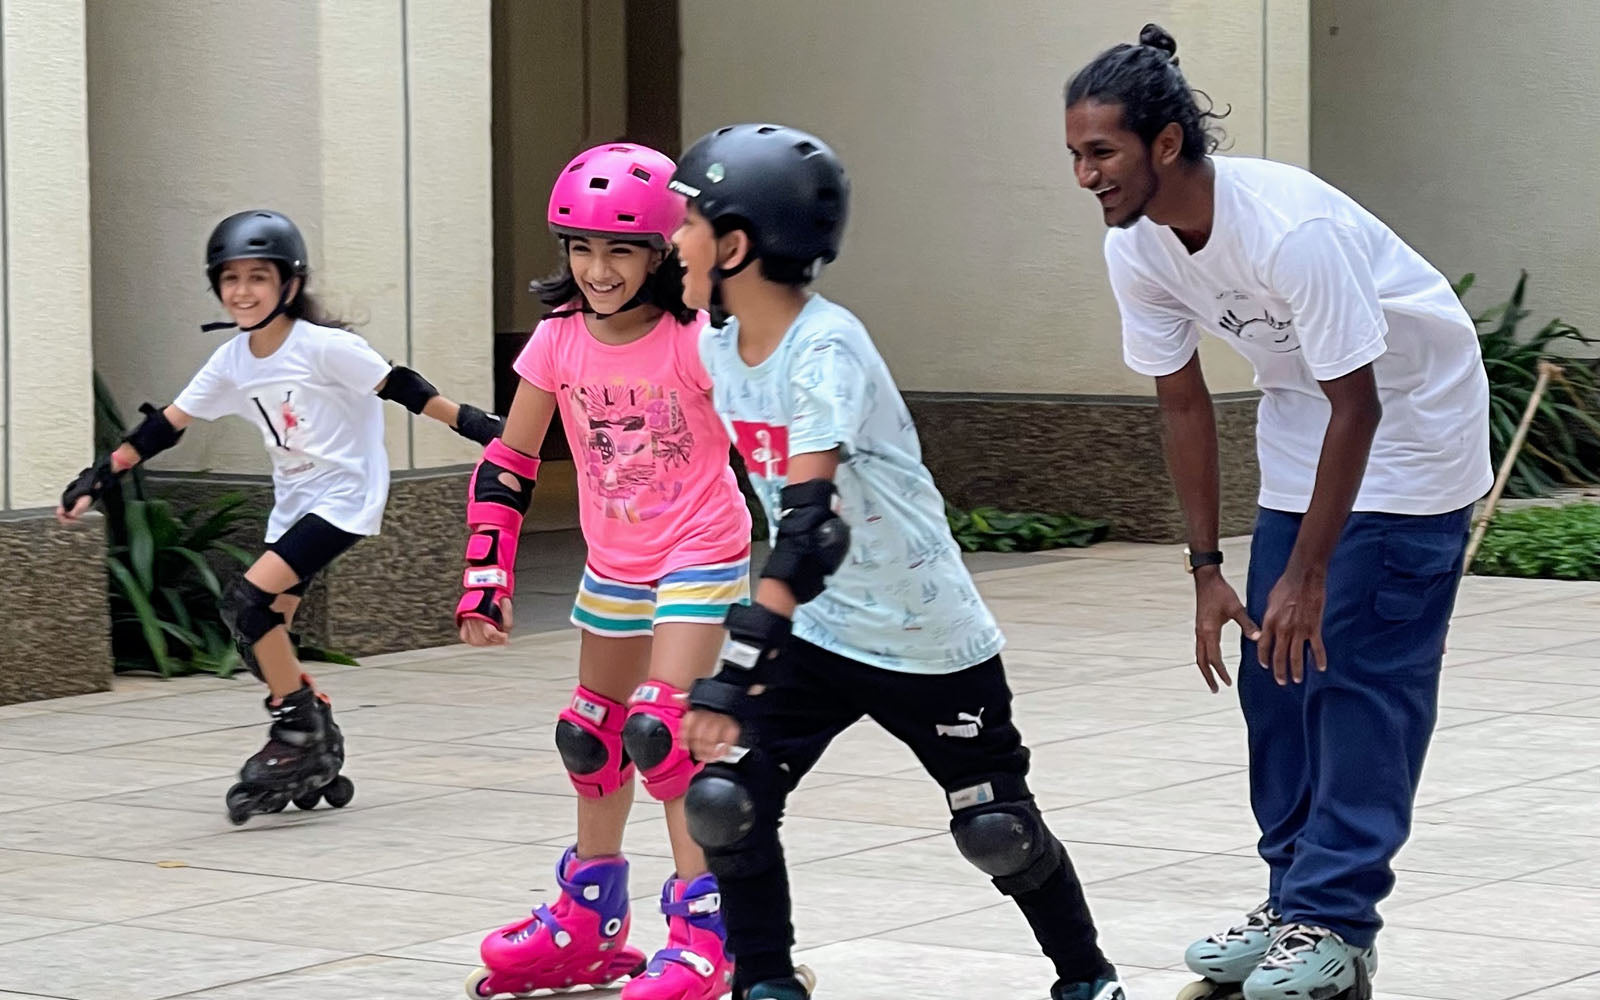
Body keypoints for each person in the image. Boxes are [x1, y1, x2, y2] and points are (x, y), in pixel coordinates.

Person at [1064, 24, 1491, 1000]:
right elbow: (1182, 401)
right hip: (1310, 431)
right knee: (1275, 674)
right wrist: (1208, 565)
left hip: (1412, 435)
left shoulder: (1288, 230)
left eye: (1101, 152)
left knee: (1357, 676)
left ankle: (1336, 921)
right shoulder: (1136, 245)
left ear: (1164, 143)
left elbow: (1365, 402)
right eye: (1076, 156)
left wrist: (1307, 574)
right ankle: (1294, 897)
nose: (1085, 175)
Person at [664, 123, 1126, 1000]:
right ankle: (764, 984)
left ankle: (1089, 981)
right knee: (726, 801)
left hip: (927, 641)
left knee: (996, 830)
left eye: (687, 222)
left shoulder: (826, 351)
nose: (671, 240)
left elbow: (812, 529)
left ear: (734, 244)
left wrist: (734, 669)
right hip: (823, 631)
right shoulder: (718, 346)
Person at [57, 209, 503, 826]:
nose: (242, 291)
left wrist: (480, 428)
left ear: (288, 285)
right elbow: (167, 425)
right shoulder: (234, 360)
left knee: (245, 602)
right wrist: (101, 474)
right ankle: (309, 728)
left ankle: (298, 730)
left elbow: (401, 386)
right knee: (258, 628)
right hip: (294, 503)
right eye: (231, 278)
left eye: (257, 278)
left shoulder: (324, 347)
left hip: (345, 495)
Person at [454, 142, 751, 1000]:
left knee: (664, 732)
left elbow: (764, 438)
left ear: (662, 253)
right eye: (581, 248)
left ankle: (706, 933)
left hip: (700, 549)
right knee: (592, 732)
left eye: (620, 249)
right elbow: (509, 462)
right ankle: (589, 922)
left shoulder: (692, 339)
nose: (598, 268)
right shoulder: (556, 342)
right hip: (616, 557)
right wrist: (487, 574)